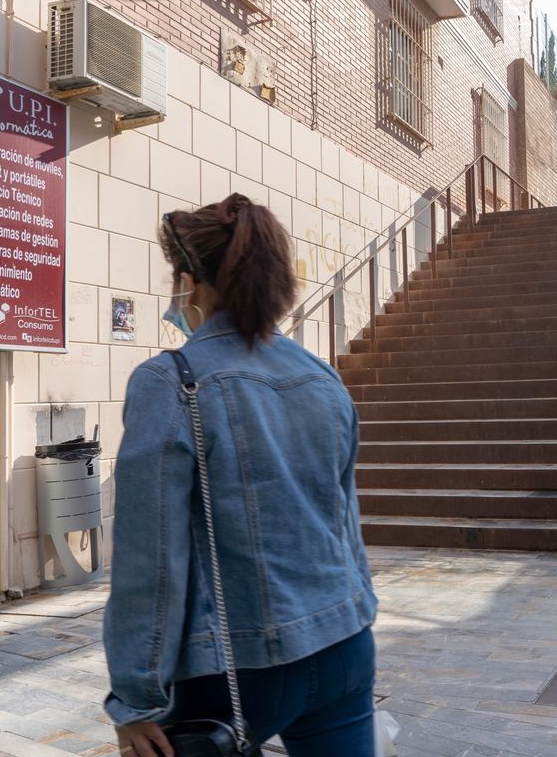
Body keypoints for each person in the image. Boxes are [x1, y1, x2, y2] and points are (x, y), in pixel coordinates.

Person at [103, 193, 378, 756]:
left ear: (191, 283)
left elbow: (149, 558)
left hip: (231, 669)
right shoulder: (323, 380)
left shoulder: (171, 382)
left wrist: (136, 697)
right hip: (344, 642)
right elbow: (345, 525)